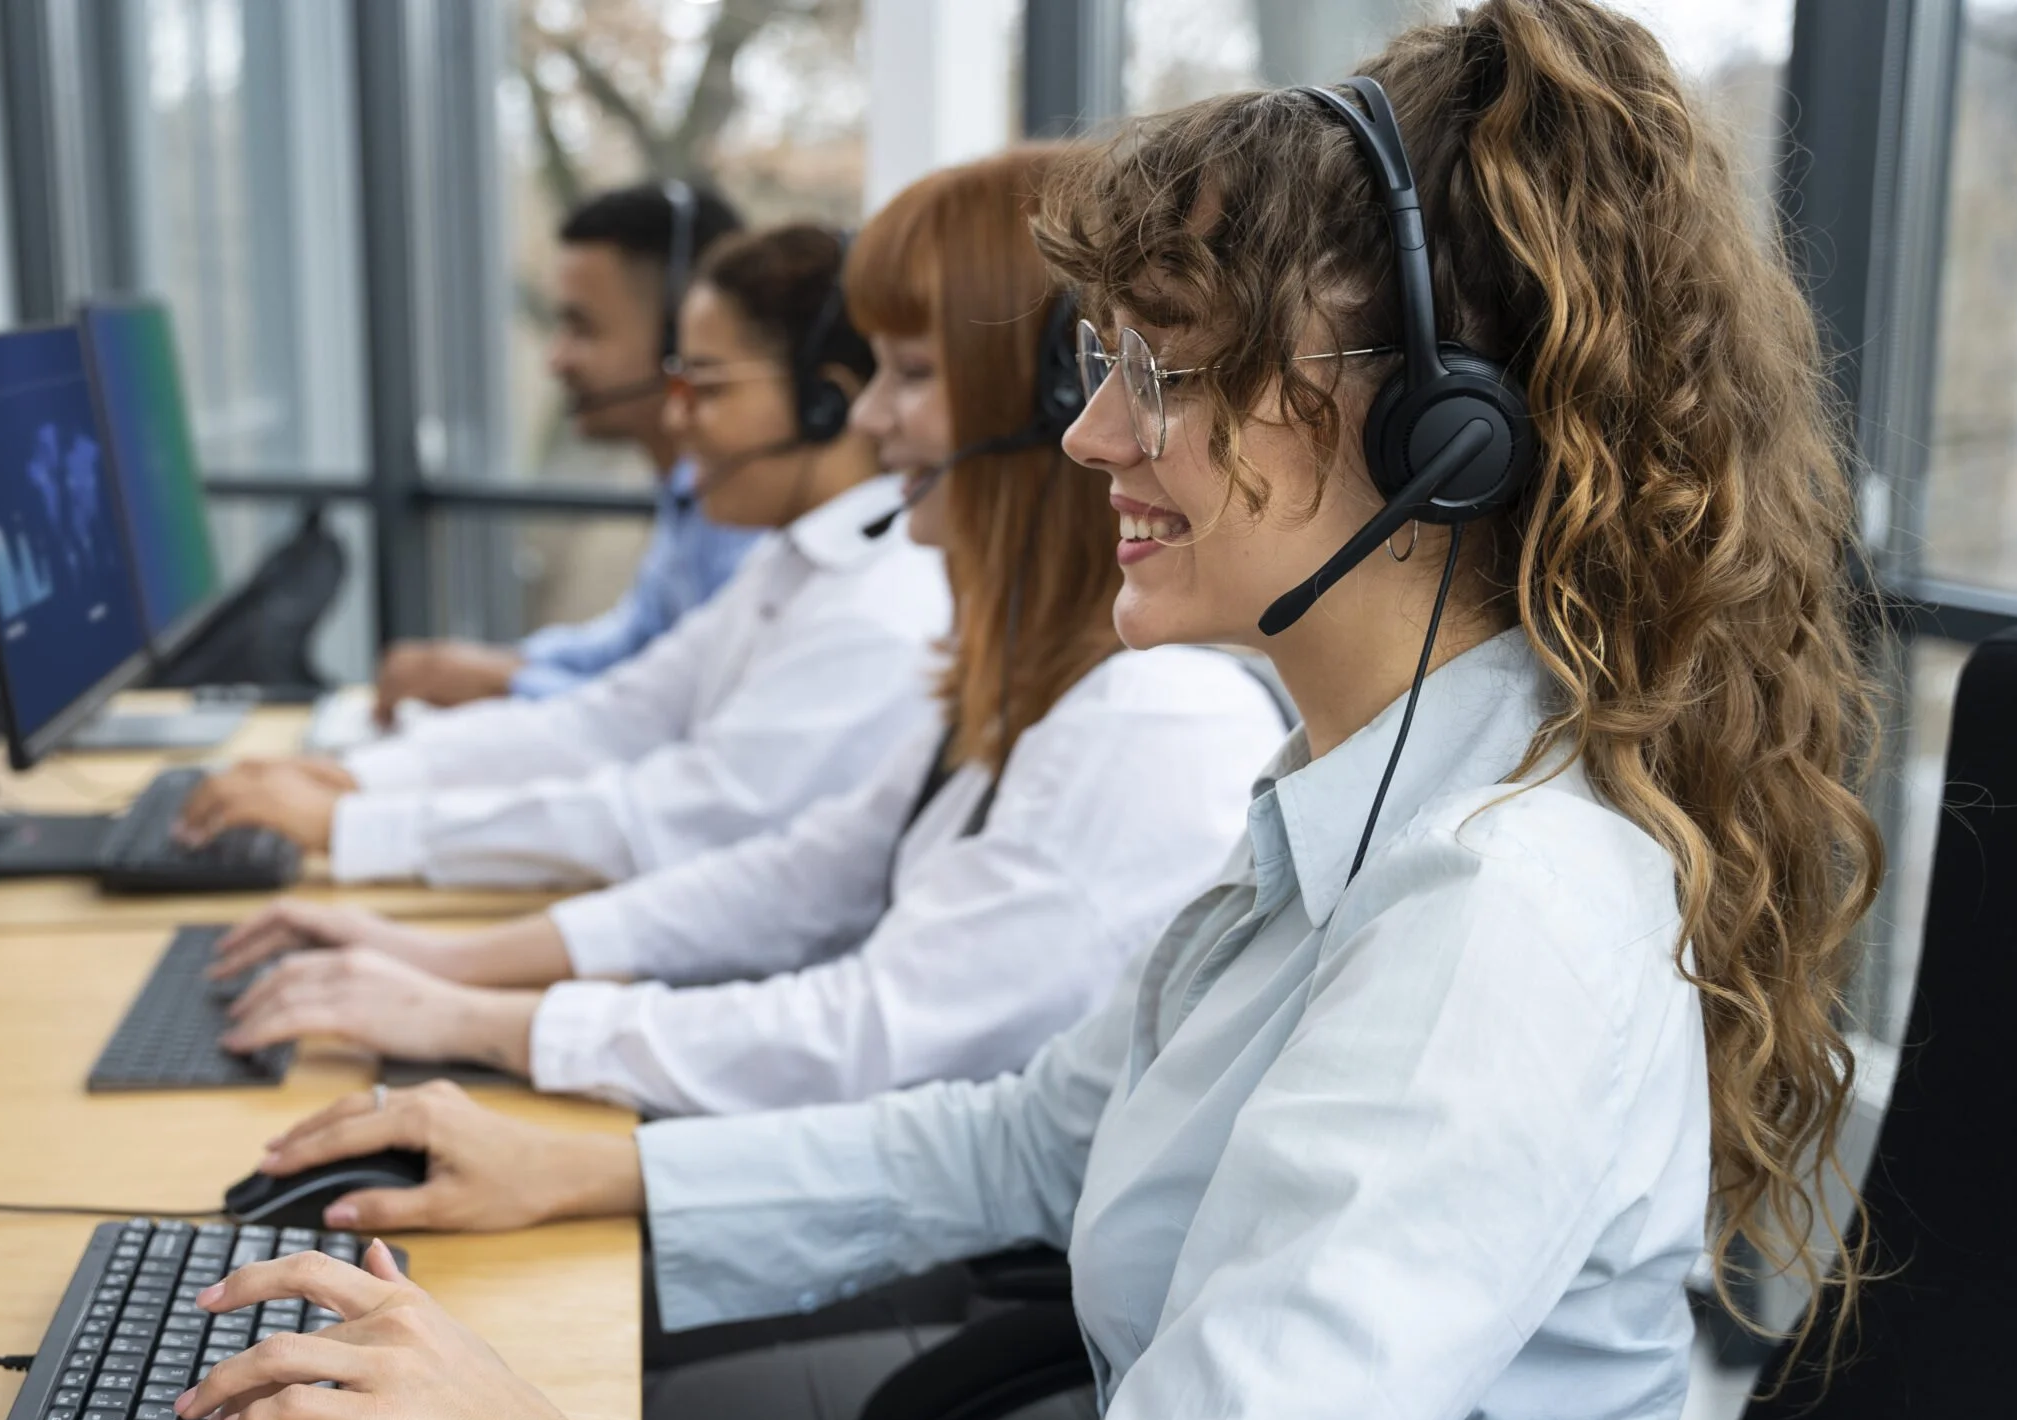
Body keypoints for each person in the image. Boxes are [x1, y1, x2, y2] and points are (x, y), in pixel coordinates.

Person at [167, 3, 1884, 1420]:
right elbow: (1033, 1134)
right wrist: (584, 1174)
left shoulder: (1491, 928)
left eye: (1169, 373)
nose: (1092, 438)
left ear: (1442, 433)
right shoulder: (1357, 795)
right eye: (1103, 367)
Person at [200, 149, 1289, 1118]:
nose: (867, 420)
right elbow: (796, 874)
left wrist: (477, 1014)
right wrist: (441, 966)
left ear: (1044, 411)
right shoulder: (1020, 679)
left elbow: (868, 1023)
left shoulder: (1138, 722)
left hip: (929, 1257)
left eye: (908, 377)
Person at [175, 224, 950, 887]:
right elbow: (607, 722)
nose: (678, 422)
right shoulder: (793, 561)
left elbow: (678, 817)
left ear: (826, 403)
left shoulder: (875, 610)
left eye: (707, 388)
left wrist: (356, 823)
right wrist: (354, 779)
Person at [356, 181, 762, 727]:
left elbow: (677, 717)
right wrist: (498, 665)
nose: (556, 360)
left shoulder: (748, 519)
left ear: (680, 339)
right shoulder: (688, 492)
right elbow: (634, 644)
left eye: (581, 328)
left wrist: (504, 680)